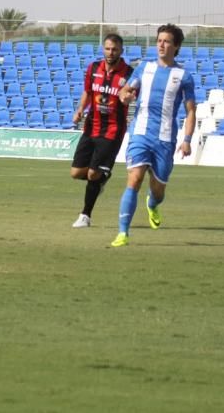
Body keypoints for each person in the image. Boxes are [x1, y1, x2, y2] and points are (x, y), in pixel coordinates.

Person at [109, 23, 196, 247]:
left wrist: (187, 141)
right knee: (134, 179)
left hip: (165, 139)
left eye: (166, 41)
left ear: (176, 46)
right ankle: (123, 233)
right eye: (159, 41)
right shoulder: (144, 68)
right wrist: (125, 96)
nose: (161, 45)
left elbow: (190, 110)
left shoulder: (183, 76)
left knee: (158, 189)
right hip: (140, 133)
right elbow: (125, 90)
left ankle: (153, 203)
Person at [69, 33, 133, 228]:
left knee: (92, 175)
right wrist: (80, 108)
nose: (110, 52)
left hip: (112, 130)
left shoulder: (128, 73)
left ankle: (85, 216)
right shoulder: (94, 68)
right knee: (76, 172)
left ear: (121, 51)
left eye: (114, 49)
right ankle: (103, 177)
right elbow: (88, 92)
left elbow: (130, 94)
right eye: (107, 48)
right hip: (91, 126)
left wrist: (127, 98)